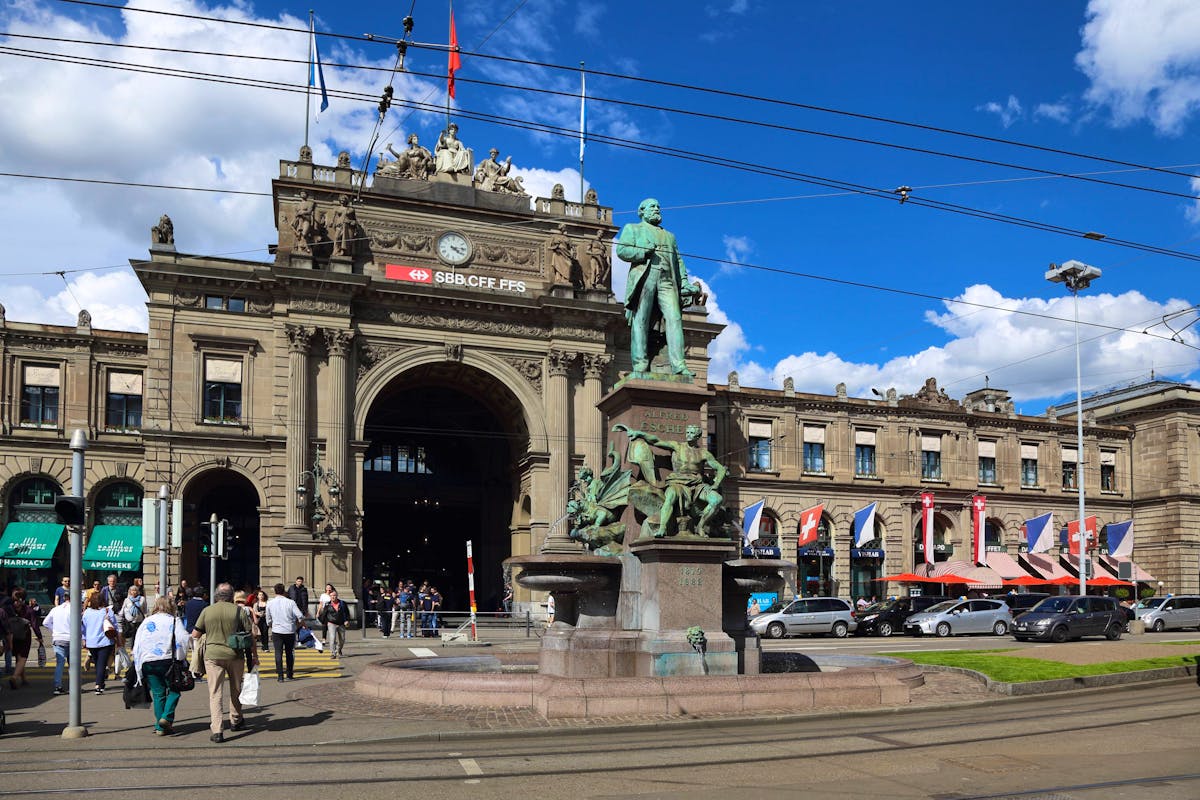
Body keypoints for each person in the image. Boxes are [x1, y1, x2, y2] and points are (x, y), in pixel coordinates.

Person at [615, 198, 703, 376]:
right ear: (642, 211)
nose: (657, 209)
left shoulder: (669, 236)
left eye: (658, 207)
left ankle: (679, 365)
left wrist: (684, 282)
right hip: (645, 276)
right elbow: (622, 251)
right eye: (652, 206)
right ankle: (640, 364)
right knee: (641, 319)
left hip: (667, 280)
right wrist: (642, 252)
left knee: (675, 318)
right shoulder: (632, 228)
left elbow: (678, 261)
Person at [614, 423, 727, 538]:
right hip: (677, 482)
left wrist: (716, 485)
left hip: (697, 485)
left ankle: (701, 526)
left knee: (717, 500)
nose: (688, 435)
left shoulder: (703, 453)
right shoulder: (677, 446)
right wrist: (639, 433)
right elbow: (656, 441)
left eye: (692, 433)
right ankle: (662, 528)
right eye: (687, 432)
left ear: (698, 436)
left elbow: (721, 469)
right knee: (670, 497)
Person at [192, 583, 257, 743]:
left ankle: (217, 730)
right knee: (236, 689)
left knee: (215, 693)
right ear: (231, 596)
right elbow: (251, 635)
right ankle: (236, 720)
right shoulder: (239, 611)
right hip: (235, 655)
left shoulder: (207, 610)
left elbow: (195, 634)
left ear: (216, 595)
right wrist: (255, 656)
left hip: (213, 656)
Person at [131, 595, 189, 736]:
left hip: (148, 661)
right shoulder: (174, 620)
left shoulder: (147, 621)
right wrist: (181, 657)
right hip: (167, 661)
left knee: (158, 694)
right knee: (175, 690)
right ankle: (166, 718)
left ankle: (160, 727)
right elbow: (183, 639)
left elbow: (137, 643)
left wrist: (138, 665)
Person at [1, 589, 44, 690]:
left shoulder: (8, 609)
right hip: (25, 635)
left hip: (12, 635)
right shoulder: (28, 609)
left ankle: (23, 678)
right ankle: (14, 677)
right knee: (23, 658)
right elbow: (34, 625)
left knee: (18, 657)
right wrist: (39, 637)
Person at [265, 583, 305, 682]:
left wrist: (271, 625)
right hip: (289, 630)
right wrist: (297, 624)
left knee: (278, 653)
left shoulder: (270, 603)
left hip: (277, 630)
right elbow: (300, 616)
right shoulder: (291, 602)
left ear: (275, 591)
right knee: (289, 653)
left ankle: (280, 676)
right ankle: (289, 674)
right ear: (284, 591)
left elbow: (268, 619)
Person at [81, 590, 117, 694]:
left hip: (91, 642)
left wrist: (84, 639)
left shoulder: (87, 612)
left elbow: (83, 627)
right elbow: (114, 626)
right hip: (105, 641)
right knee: (101, 663)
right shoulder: (107, 611)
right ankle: (98, 684)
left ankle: (100, 682)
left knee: (97, 663)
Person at [41, 597, 72, 694]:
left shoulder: (55, 609)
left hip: (58, 638)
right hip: (71, 638)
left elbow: (45, 622)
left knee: (60, 663)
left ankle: (58, 686)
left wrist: (54, 629)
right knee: (73, 664)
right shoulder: (75, 609)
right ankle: (74, 686)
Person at [318, 587, 349, 658]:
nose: (333, 597)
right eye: (331, 596)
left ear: (337, 596)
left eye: (334, 595)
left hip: (341, 623)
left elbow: (347, 613)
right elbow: (324, 614)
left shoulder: (342, 603)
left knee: (342, 639)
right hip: (331, 623)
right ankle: (333, 653)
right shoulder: (327, 605)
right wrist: (324, 623)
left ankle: (339, 649)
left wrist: (346, 620)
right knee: (332, 638)